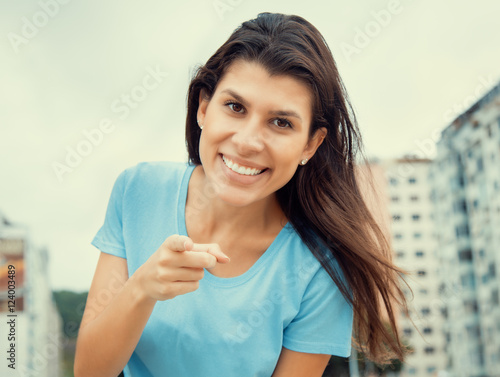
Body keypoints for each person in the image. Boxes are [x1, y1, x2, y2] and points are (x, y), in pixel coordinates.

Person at [74, 12, 409, 377]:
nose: (248, 142)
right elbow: (89, 371)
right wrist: (142, 288)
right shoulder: (137, 189)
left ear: (310, 145)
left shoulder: (321, 267)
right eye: (235, 107)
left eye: (281, 122)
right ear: (204, 107)